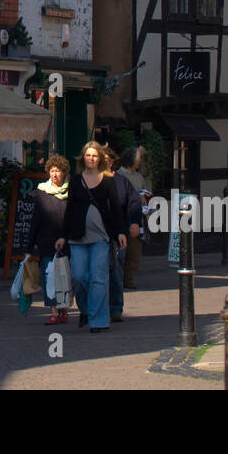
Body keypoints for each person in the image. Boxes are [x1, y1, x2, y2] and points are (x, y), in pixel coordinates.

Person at [57, 141, 127, 332]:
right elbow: (69, 210)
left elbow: (115, 209)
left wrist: (120, 232)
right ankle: (86, 309)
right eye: (88, 155)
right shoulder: (76, 181)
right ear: (83, 158)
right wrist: (63, 235)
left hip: (101, 237)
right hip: (77, 237)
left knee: (99, 278)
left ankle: (99, 320)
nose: (91, 159)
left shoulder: (108, 180)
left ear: (100, 159)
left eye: (95, 156)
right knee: (79, 277)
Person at [27, 154, 70, 324]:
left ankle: (63, 308)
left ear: (64, 173)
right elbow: (34, 220)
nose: (55, 174)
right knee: (49, 276)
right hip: (46, 241)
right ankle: (53, 311)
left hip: (65, 242)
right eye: (52, 171)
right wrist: (29, 247)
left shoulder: (70, 192)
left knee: (65, 276)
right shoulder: (41, 192)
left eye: (58, 171)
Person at [105, 148, 143, 322]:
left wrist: (134, 222)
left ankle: (115, 308)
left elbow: (133, 202)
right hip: (93, 234)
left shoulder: (121, 182)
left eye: (107, 159)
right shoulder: (88, 180)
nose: (104, 162)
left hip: (117, 233)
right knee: (91, 274)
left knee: (115, 270)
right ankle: (94, 307)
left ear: (112, 161)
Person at [119, 146, 151, 288]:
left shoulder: (138, 176)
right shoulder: (119, 175)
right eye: (138, 159)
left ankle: (129, 278)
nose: (140, 162)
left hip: (137, 216)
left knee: (135, 251)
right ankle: (119, 278)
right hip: (123, 217)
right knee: (121, 252)